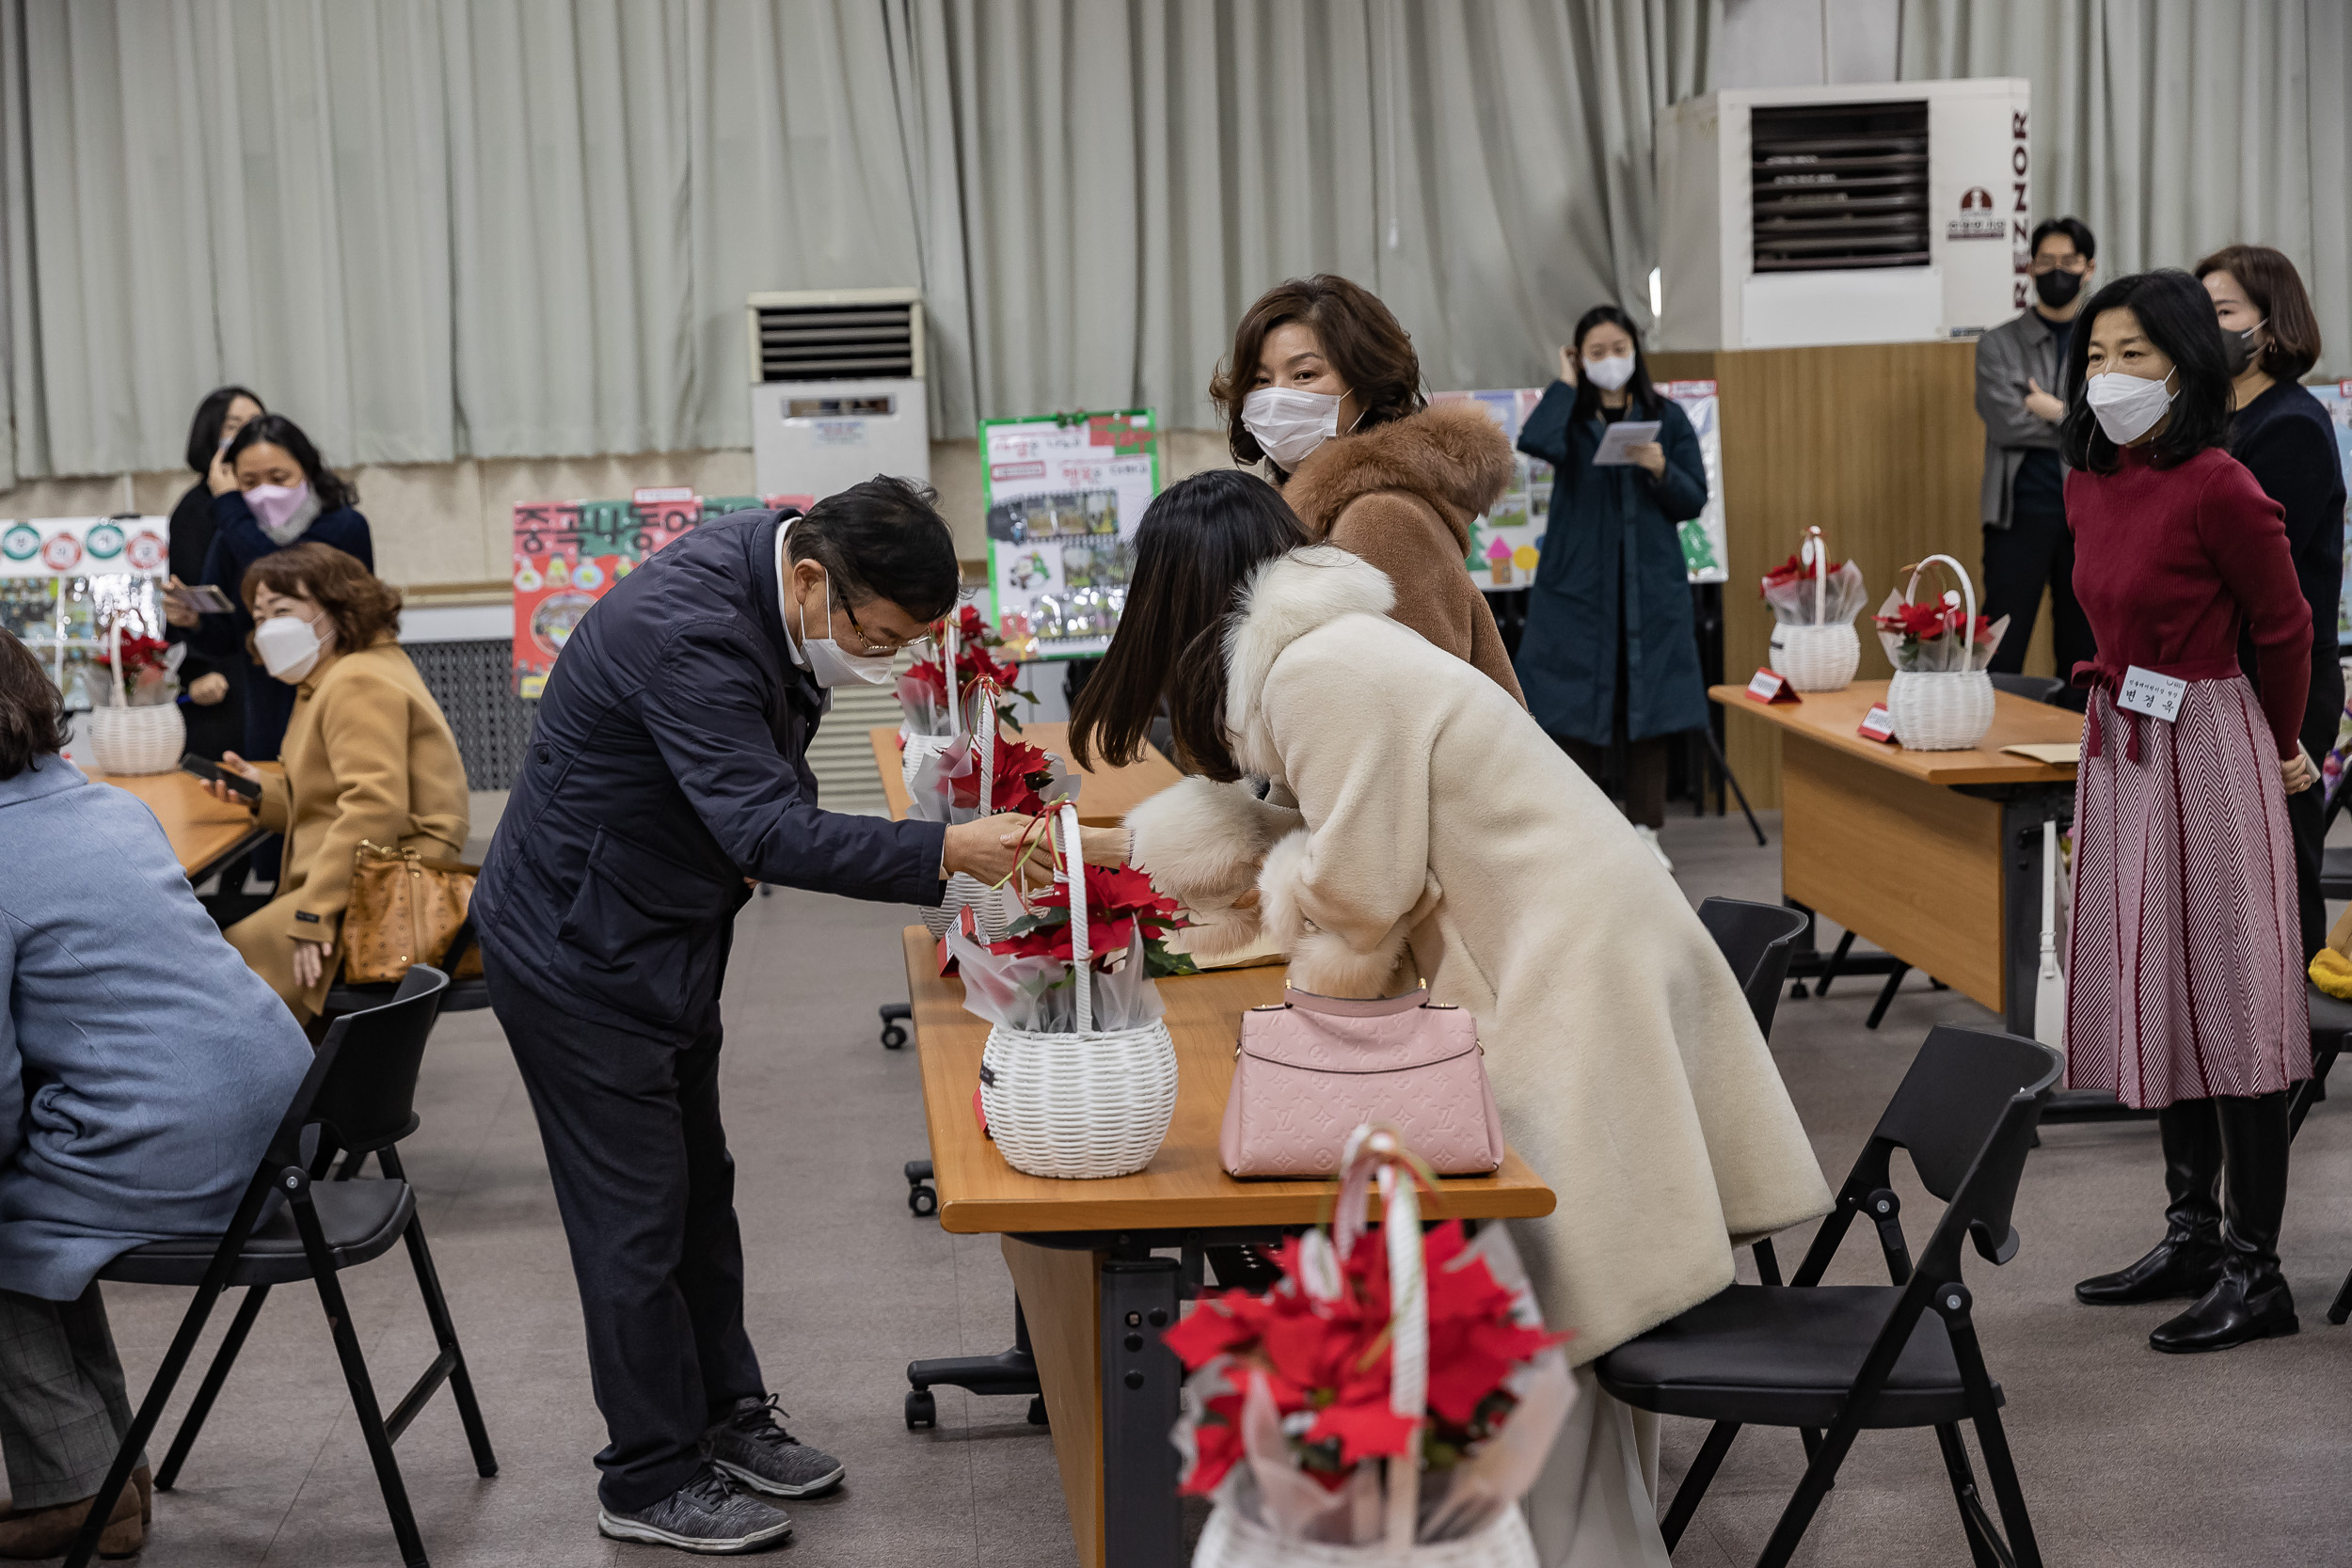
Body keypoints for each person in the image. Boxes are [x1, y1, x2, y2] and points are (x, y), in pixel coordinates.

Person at [1067, 469, 1831, 1566]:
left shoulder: (1313, 674)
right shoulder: (1338, 648)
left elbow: (1363, 885)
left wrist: (1275, 944)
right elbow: (1351, 854)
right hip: (1568, 936)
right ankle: (1589, 1539)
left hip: (1566, 959)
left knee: (1545, 1287)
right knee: (1555, 1289)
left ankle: (1575, 1548)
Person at [469, 479, 1041, 1554]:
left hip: (656, 921)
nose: (875, 660)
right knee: (634, 1215)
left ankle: (724, 1416)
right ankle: (646, 1474)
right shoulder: (689, 631)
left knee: (698, 1185)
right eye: (872, 636)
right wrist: (941, 855)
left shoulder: (770, 578)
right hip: (577, 946)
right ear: (815, 578)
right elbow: (769, 830)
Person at [0, 628, 311, 1558]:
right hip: (278, 1122)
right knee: (37, 1215)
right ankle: (104, 1471)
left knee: (8, 1218)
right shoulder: (111, 806)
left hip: (179, 1143)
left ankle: (77, 1489)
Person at [2059, 270, 2314, 1354]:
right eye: (2094, 357)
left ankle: (2258, 1271)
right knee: (2158, 985)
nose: (2107, 377)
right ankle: (2191, 1234)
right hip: (2121, 743)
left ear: (2185, 363)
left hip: (2209, 744)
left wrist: (2286, 744)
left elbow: (2287, 624)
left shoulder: (2221, 483)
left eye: (2131, 354)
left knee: (2233, 1001)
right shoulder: (2086, 479)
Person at [1208, 274, 1524, 701]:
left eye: (1304, 374)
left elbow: (1411, 712)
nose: (1277, 397)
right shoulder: (1313, 511)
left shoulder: (1378, 516)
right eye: (1261, 381)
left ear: (1367, 386)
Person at [196, 544, 468, 1022]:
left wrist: (314, 914)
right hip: (371, 872)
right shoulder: (340, 675)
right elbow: (330, 799)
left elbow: (374, 806)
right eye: (259, 615)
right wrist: (264, 792)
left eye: (283, 610)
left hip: (380, 886)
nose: (267, 629)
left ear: (338, 607)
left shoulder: (354, 681)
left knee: (217, 975)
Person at [1513, 305, 1709, 870]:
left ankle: (1647, 829)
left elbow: (1692, 498)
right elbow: (1535, 442)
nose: (1609, 362)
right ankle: (1582, 826)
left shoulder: (1665, 417)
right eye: (1595, 352)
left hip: (1649, 587)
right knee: (1574, 704)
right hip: (1579, 589)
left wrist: (1660, 469)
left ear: (1635, 351)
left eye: (1617, 349)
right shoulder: (1570, 418)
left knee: (1649, 706)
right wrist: (1567, 383)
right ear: (1579, 358)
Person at [2196, 244, 2347, 963]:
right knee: (2229, 870)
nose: (2208, 327)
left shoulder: (2289, 422)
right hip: (2229, 668)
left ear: (2272, 324)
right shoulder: (2215, 416)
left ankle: (2297, 1051)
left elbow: (2254, 573)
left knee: (2282, 859)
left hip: (2283, 671)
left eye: (2224, 312)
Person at [166, 413, 372, 763]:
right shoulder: (232, 534)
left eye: (279, 478)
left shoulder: (343, 526)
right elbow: (227, 638)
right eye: (249, 482)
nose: (265, 492)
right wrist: (194, 621)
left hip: (337, 689)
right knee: (273, 797)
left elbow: (278, 575)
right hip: (262, 700)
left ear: (306, 469)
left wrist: (230, 504)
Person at [1975, 216, 2101, 703]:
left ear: (2089, 268)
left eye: (2068, 261)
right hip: (2016, 517)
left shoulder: (2105, 340)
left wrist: (2052, 410)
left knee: (2083, 648)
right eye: (2045, 261)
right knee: (2001, 646)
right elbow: (2005, 423)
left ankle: (2081, 764)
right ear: (2029, 267)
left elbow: (2112, 426)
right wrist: (2078, 421)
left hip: (2087, 519)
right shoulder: (1998, 343)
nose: (2056, 271)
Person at [162, 385, 263, 759]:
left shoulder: (268, 500)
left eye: (257, 423)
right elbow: (189, 600)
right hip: (222, 674)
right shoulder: (195, 509)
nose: (248, 433)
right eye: (234, 424)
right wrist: (196, 671)